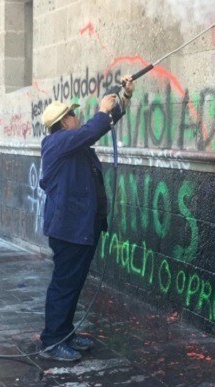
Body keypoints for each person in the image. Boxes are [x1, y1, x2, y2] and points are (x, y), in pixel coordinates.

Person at [38, 77, 135, 361]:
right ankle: (53, 339)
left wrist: (124, 97)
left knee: (74, 283)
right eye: (72, 114)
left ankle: (65, 333)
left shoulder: (71, 143)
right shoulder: (57, 142)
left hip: (80, 228)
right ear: (63, 122)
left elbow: (100, 126)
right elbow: (94, 128)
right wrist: (103, 110)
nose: (76, 116)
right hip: (68, 229)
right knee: (64, 284)